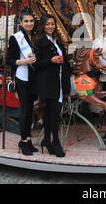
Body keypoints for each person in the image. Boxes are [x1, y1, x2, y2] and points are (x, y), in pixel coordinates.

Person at [33, 14, 71, 157]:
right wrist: (51, 60)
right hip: (48, 83)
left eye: (52, 24)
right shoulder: (39, 42)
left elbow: (65, 61)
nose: (50, 26)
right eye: (47, 24)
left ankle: (46, 140)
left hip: (60, 80)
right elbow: (36, 63)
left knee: (50, 114)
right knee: (53, 114)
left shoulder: (58, 41)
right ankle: (55, 141)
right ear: (43, 25)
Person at [6, 9, 38, 156]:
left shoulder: (35, 37)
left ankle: (28, 139)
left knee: (31, 110)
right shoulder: (16, 38)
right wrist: (24, 61)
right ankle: (23, 141)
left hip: (33, 77)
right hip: (22, 77)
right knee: (24, 111)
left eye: (31, 21)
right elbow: (8, 60)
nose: (29, 23)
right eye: (26, 21)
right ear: (21, 23)